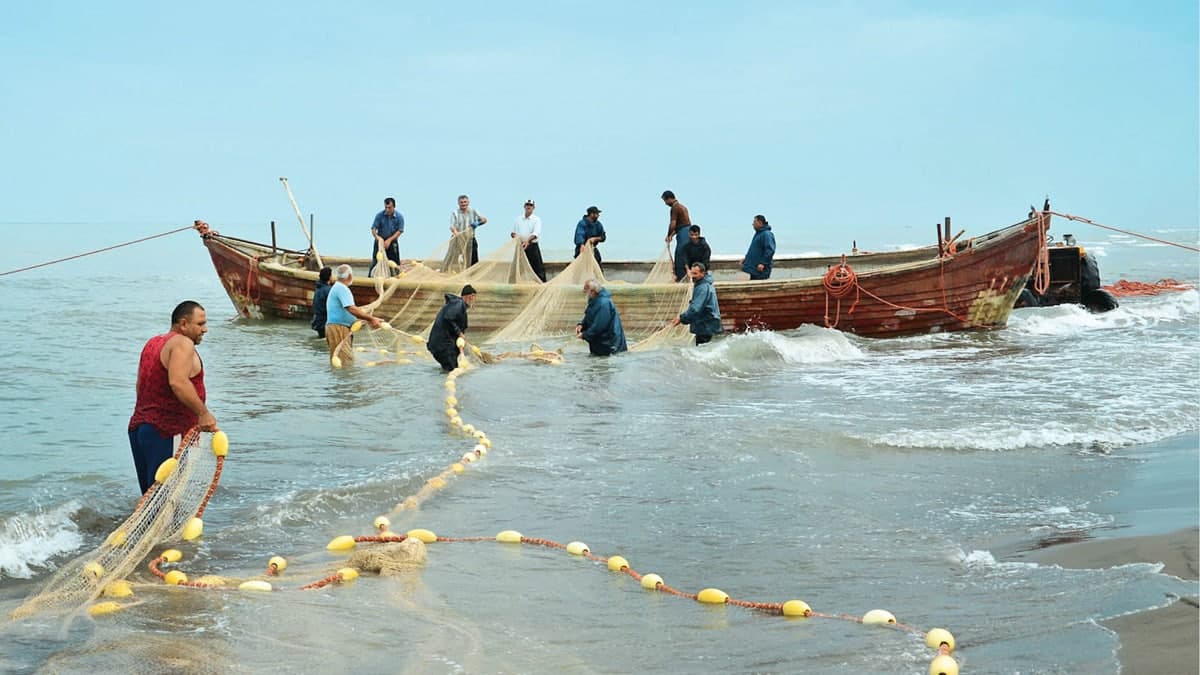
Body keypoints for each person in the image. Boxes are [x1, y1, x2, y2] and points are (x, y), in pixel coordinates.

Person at [127, 301, 218, 494]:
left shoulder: (153, 342)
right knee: (166, 498)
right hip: (167, 431)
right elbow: (177, 382)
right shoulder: (182, 343)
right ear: (183, 324)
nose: (205, 329)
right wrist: (203, 413)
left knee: (151, 499)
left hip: (141, 428)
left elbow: (140, 385)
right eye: (200, 324)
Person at [325, 264, 382, 364]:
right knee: (344, 361)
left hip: (339, 327)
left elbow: (349, 311)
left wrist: (368, 319)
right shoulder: (342, 288)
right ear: (350, 276)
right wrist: (371, 319)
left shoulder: (337, 287)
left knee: (341, 360)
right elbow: (351, 309)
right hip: (338, 328)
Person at [427, 285, 478, 371]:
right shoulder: (458, 304)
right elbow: (448, 318)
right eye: (473, 296)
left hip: (440, 346)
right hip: (443, 346)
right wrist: (459, 333)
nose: (474, 299)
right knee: (454, 370)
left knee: (451, 370)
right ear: (470, 296)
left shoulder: (458, 305)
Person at [670, 262, 723, 345]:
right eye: (692, 273)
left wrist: (681, 319)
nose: (693, 276)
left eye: (695, 273)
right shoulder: (703, 284)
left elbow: (695, 309)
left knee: (702, 350)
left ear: (703, 273)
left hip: (705, 325)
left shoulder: (703, 288)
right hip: (706, 324)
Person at [576, 279, 628, 356]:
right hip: (600, 346)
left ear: (593, 291)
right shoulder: (594, 300)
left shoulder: (604, 304)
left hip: (610, 347)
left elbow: (599, 326)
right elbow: (589, 316)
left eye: (585, 289)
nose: (583, 291)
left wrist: (585, 335)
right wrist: (581, 325)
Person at [512, 199, 547, 282]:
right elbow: (513, 233)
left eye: (530, 205)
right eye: (527, 205)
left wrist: (527, 241)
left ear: (533, 207)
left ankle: (540, 284)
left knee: (537, 268)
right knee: (519, 268)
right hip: (520, 247)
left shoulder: (536, 219)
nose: (528, 207)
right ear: (524, 206)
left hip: (532, 246)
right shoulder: (518, 219)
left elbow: (536, 233)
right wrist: (517, 238)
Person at [661, 191, 693, 281]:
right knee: (685, 255)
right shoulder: (683, 207)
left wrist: (668, 235)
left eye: (665, 201)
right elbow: (683, 224)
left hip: (684, 233)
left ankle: (680, 279)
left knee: (680, 256)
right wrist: (672, 235)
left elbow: (673, 224)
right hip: (686, 231)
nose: (666, 204)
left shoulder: (675, 208)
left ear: (669, 198)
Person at [449, 194, 487, 267]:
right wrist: (456, 233)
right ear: (458, 203)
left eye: (465, 202)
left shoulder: (473, 211)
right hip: (458, 239)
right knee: (453, 258)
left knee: (473, 259)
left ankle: (472, 275)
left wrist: (478, 223)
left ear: (468, 202)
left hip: (470, 239)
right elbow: (452, 226)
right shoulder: (455, 213)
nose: (463, 204)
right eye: (461, 202)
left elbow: (484, 220)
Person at [370, 197, 405, 275]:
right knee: (375, 262)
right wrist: (378, 238)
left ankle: (397, 278)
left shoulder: (399, 217)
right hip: (380, 242)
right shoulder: (379, 216)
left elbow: (400, 231)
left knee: (395, 264)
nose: (387, 210)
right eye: (386, 207)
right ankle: (371, 279)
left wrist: (389, 240)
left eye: (389, 208)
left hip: (392, 242)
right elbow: (373, 229)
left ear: (394, 207)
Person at [740, 215, 776, 280]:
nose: (752, 224)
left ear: (760, 222)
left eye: (754, 222)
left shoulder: (766, 234)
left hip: (761, 270)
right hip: (754, 270)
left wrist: (763, 263)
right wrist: (746, 259)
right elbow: (755, 250)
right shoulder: (758, 234)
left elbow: (770, 250)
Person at [311, 266, 333, 338]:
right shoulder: (328, 290)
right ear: (329, 277)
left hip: (317, 321)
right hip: (324, 322)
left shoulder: (318, 288)